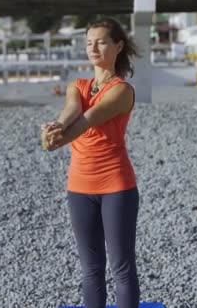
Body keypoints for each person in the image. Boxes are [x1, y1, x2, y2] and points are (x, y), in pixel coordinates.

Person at [41, 17, 141, 308]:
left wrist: (57, 138)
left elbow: (87, 120)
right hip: (79, 187)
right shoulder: (78, 85)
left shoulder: (122, 90)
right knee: (91, 269)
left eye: (101, 41)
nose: (93, 47)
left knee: (121, 268)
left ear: (118, 45)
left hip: (116, 186)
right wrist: (53, 128)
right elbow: (71, 110)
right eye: (88, 42)